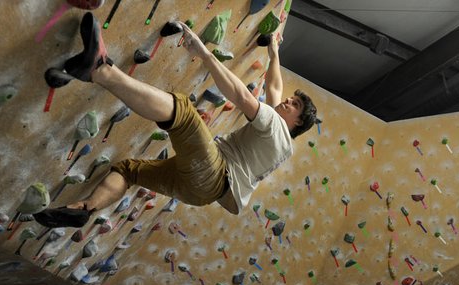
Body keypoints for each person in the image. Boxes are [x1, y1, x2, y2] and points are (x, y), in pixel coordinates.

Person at [35, 13, 317, 228]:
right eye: (292, 99)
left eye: (295, 105)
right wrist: (274, 53)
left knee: (183, 112)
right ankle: (86, 207)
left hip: (214, 172)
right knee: (128, 170)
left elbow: (243, 97)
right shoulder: (280, 140)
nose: (287, 102)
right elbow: (274, 87)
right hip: (202, 191)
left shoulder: (276, 126)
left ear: (296, 123)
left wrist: (203, 53)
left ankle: (98, 69)